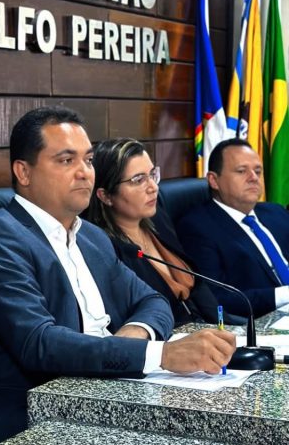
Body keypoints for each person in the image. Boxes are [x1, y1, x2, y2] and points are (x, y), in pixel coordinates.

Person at [0, 107, 235, 445]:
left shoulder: (91, 236)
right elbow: (39, 342)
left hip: (107, 397)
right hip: (32, 425)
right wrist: (160, 354)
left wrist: (134, 335)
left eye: (88, 160)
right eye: (66, 160)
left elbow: (153, 301)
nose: (84, 172)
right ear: (23, 172)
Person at [85, 138, 234, 327]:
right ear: (105, 196)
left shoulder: (158, 220)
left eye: (152, 174)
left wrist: (229, 329)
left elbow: (198, 287)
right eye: (138, 180)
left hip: (212, 328)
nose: (153, 187)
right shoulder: (105, 250)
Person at [177, 138, 289, 318]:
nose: (253, 178)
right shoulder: (197, 228)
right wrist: (285, 294)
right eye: (241, 171)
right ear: (214, 180)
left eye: (258, 171)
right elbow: (216, 298)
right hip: (263, 322)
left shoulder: (276, 212)